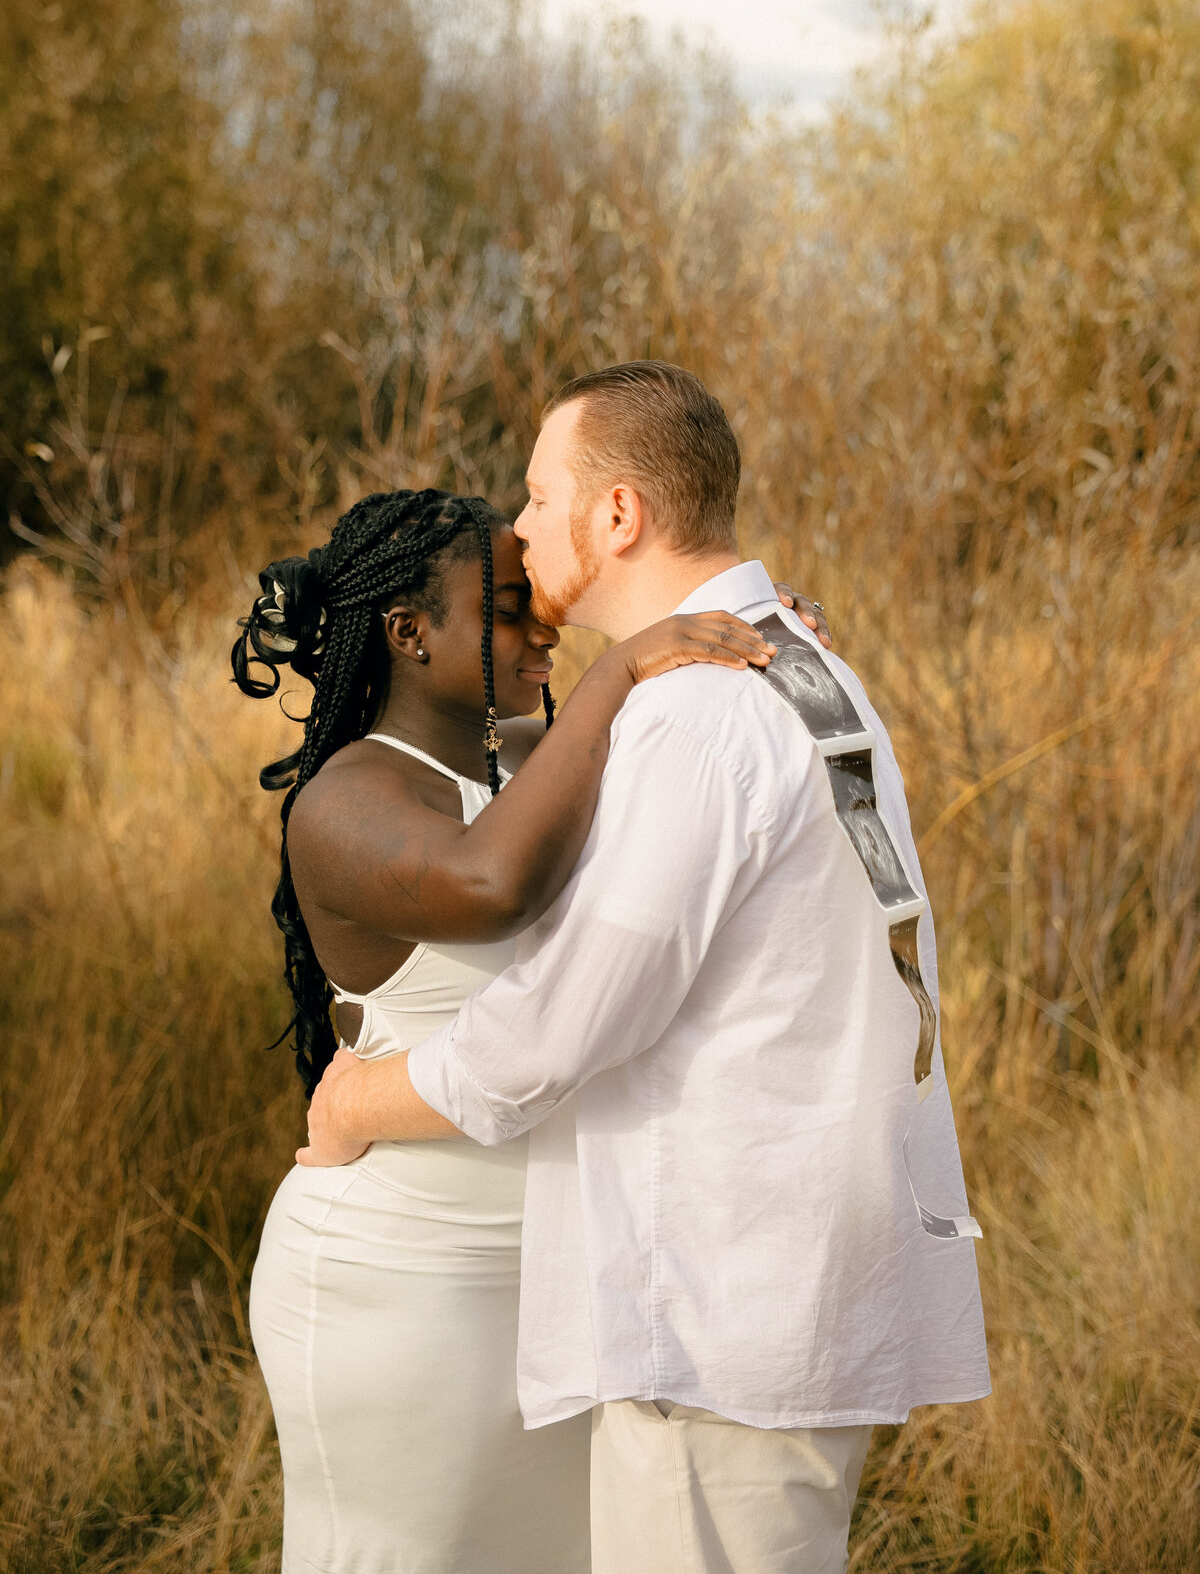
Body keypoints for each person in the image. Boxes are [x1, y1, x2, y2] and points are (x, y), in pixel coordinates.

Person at [302, 363, 991, 1574]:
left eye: (536, 495)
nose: (515, 529)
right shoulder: (796, 665)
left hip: (717, 1308)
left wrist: (360, 1096)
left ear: (617, 516)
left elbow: (564, 1026)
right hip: (787, 1277)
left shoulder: (698, 717)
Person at [233, 484, 787, 1574]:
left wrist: (755, 629)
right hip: (404, 1280)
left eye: (539, 601)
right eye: (506, 607)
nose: (545, 625)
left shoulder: (523, 759)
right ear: (408, 632)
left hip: (556, 1278)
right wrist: (619, 668)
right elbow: (492, 885)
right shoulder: (346, 801)